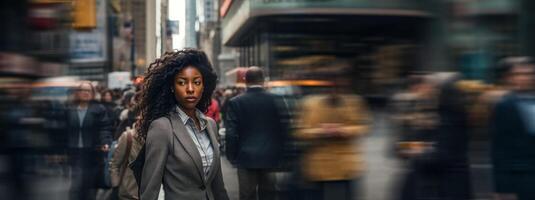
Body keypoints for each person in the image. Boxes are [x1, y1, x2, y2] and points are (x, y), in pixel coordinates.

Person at [136, 49, 229, 200]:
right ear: (172, 87)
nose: (190, 89)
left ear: (204, 86)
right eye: (182, 82)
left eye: (197, 82)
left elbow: (218, 185)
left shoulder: (211, 125)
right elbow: (150, 189)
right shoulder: (162, 127)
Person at [294, 69, 371, 200]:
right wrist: (321, 131)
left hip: (346, 165)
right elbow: (300, 131)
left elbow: (364, 127)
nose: (334, 90)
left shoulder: (354, 102)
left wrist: (343, 130)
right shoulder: (310, 104)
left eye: (339, 86)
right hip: (319, 165)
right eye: (330, 86)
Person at [224, 66, 290, 200]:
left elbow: (231, 133)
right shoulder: (276, 100)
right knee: (269, 195)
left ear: (245, 81)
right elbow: (284, 128)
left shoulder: (236, 102)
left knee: (247, 196)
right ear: (264, 80)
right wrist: (282, 155)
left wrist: (232, 156)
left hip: (245, 158)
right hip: (270, 158)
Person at [490, 57, 535, 200]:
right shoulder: (504, 106)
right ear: (511, 78)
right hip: (520, 177)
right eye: (519, 74)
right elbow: (499, 149)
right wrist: (501, 188)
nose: (525, 78)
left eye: (529, 74)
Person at [65, 82, 113, 200]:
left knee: (89, 182)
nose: (85, 93)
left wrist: (105, 142)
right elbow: (63, 130)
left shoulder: (99, 109)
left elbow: (104, 128)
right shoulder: (69, 109)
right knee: (76, 181)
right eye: (83, 90)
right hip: (74, 151)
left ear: (92, 93)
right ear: (78, 93)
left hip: (92, 151)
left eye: (88, 90)